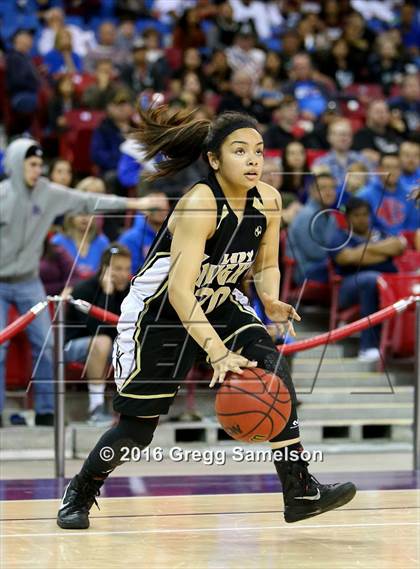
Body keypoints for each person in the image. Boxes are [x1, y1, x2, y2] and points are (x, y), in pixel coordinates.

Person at [56, 107, 356, 530]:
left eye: (259, 151)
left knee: (275, 373)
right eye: (240, 151)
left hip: (219, 298)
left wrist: (268, 299)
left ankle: (299, 490)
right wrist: (215, 350)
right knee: (138, 430)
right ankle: (81, 491)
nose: (254, 160)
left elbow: (266, 263)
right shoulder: (200, 202)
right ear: (215, 159)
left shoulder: (268, 200)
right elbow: (179, 291)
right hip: (159, 312)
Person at [0, 138, 165, 428]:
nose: (37, 170)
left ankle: (46, 412)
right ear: (15, 164)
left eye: (40, 164)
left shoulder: (48, 194)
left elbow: (90, 201)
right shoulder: (2, 196)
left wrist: (136, 202)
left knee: (48, 345)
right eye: (32, 164)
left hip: (28, 281)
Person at [329, 197, 406, 362]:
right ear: (348, 217)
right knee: (372, 279)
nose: (362, 219)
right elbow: (346, 257)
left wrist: (366, 249)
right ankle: (368, 347)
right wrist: (382, 252)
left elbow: (398, 245)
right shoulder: (340, 236)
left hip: (386, 285)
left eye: (365, 214)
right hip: (349, 288)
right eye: (357, 215)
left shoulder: (379, 232)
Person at [64, 244, 132, 425]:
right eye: (118, 269)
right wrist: (107, 294)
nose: (124, 274)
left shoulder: (130, 290)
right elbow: (99, 329)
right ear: (104, 269)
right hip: (74, 345)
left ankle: (136, 408)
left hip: (110, 345)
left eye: (127, 268)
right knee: (102, 342)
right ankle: (96, 408)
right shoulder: (83, 289)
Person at [286, 173, 337, 285]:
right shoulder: (307, 215)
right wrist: (341, 256)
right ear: (312, 191)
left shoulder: (330, 216)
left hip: (324, 265)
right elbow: (314, 252)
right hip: (308, 271)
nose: (329, 192)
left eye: (332, 188)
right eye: (323, 188)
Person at [357, 153, 420, 235]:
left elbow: (413, 226)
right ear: (378, 170)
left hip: (406, 241)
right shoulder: (364, 195)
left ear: (401, 171)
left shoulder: (410, 194)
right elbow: (362, 227)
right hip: (375, 242)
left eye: (396, 168)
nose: (392, 172)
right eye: (387, 167)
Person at [312, 118, 370, 199]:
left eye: (347, 134)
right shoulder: (320, 163)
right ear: (329, 137)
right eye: (340, 134)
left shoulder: (362, 160)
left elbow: (372, 185)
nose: (344, 138)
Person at [118, 191, 170, 273]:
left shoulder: (172, 235)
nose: (162, 211)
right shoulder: (130, 238)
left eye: (165, 207)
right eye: (157, 208)